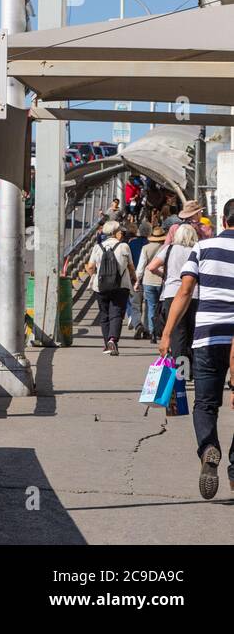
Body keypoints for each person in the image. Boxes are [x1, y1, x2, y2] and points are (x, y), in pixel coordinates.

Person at [159, 199, 234, 500]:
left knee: (205, 403)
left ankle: (208, 446)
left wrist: (166, 334)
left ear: (223, 219)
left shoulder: (202, 248)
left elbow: (185, 290)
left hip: (207, 337)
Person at [151, 223, 200, 364]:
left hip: (172, 294)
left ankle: (181, 374)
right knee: (192, 334)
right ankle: (189, 368)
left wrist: (166, 276)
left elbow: (151, 266)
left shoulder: (169, 249)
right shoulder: (196, 251)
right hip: (194, 294)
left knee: (178, 335)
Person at [84, 220, 135, 356]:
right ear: (114, 233)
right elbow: (131, 267)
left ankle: (107, 343)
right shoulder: (124, 247)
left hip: (101, 286)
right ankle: (113, 340)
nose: (122, 233)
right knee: (117, 313)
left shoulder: (98, 247)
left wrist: (94, 276)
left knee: (104, 314)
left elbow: (90, 267)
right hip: (121, 286)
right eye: (120, 231)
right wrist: (134, 279)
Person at [136, 225, 167, 342]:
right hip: (161, 280)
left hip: (148, 281)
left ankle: (152, 331)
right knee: (162, 307)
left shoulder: (145, 248)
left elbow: (141, 266)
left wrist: (137, 280)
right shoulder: (165, 248)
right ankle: (161, 330)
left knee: (151, 306)